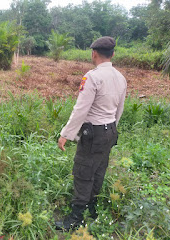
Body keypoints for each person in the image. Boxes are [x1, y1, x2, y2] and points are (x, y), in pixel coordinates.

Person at [55, 36, 127, 231]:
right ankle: (92, 209)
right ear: (112, 54)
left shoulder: (93, 77)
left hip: (93, 133)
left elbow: (81, 109)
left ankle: (76, 218)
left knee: (83, 172)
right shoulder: (120, 77)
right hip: (110, 130)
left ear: (94, 53)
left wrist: (66, 134)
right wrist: (111, 128)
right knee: (98, 171)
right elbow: (119, 109)